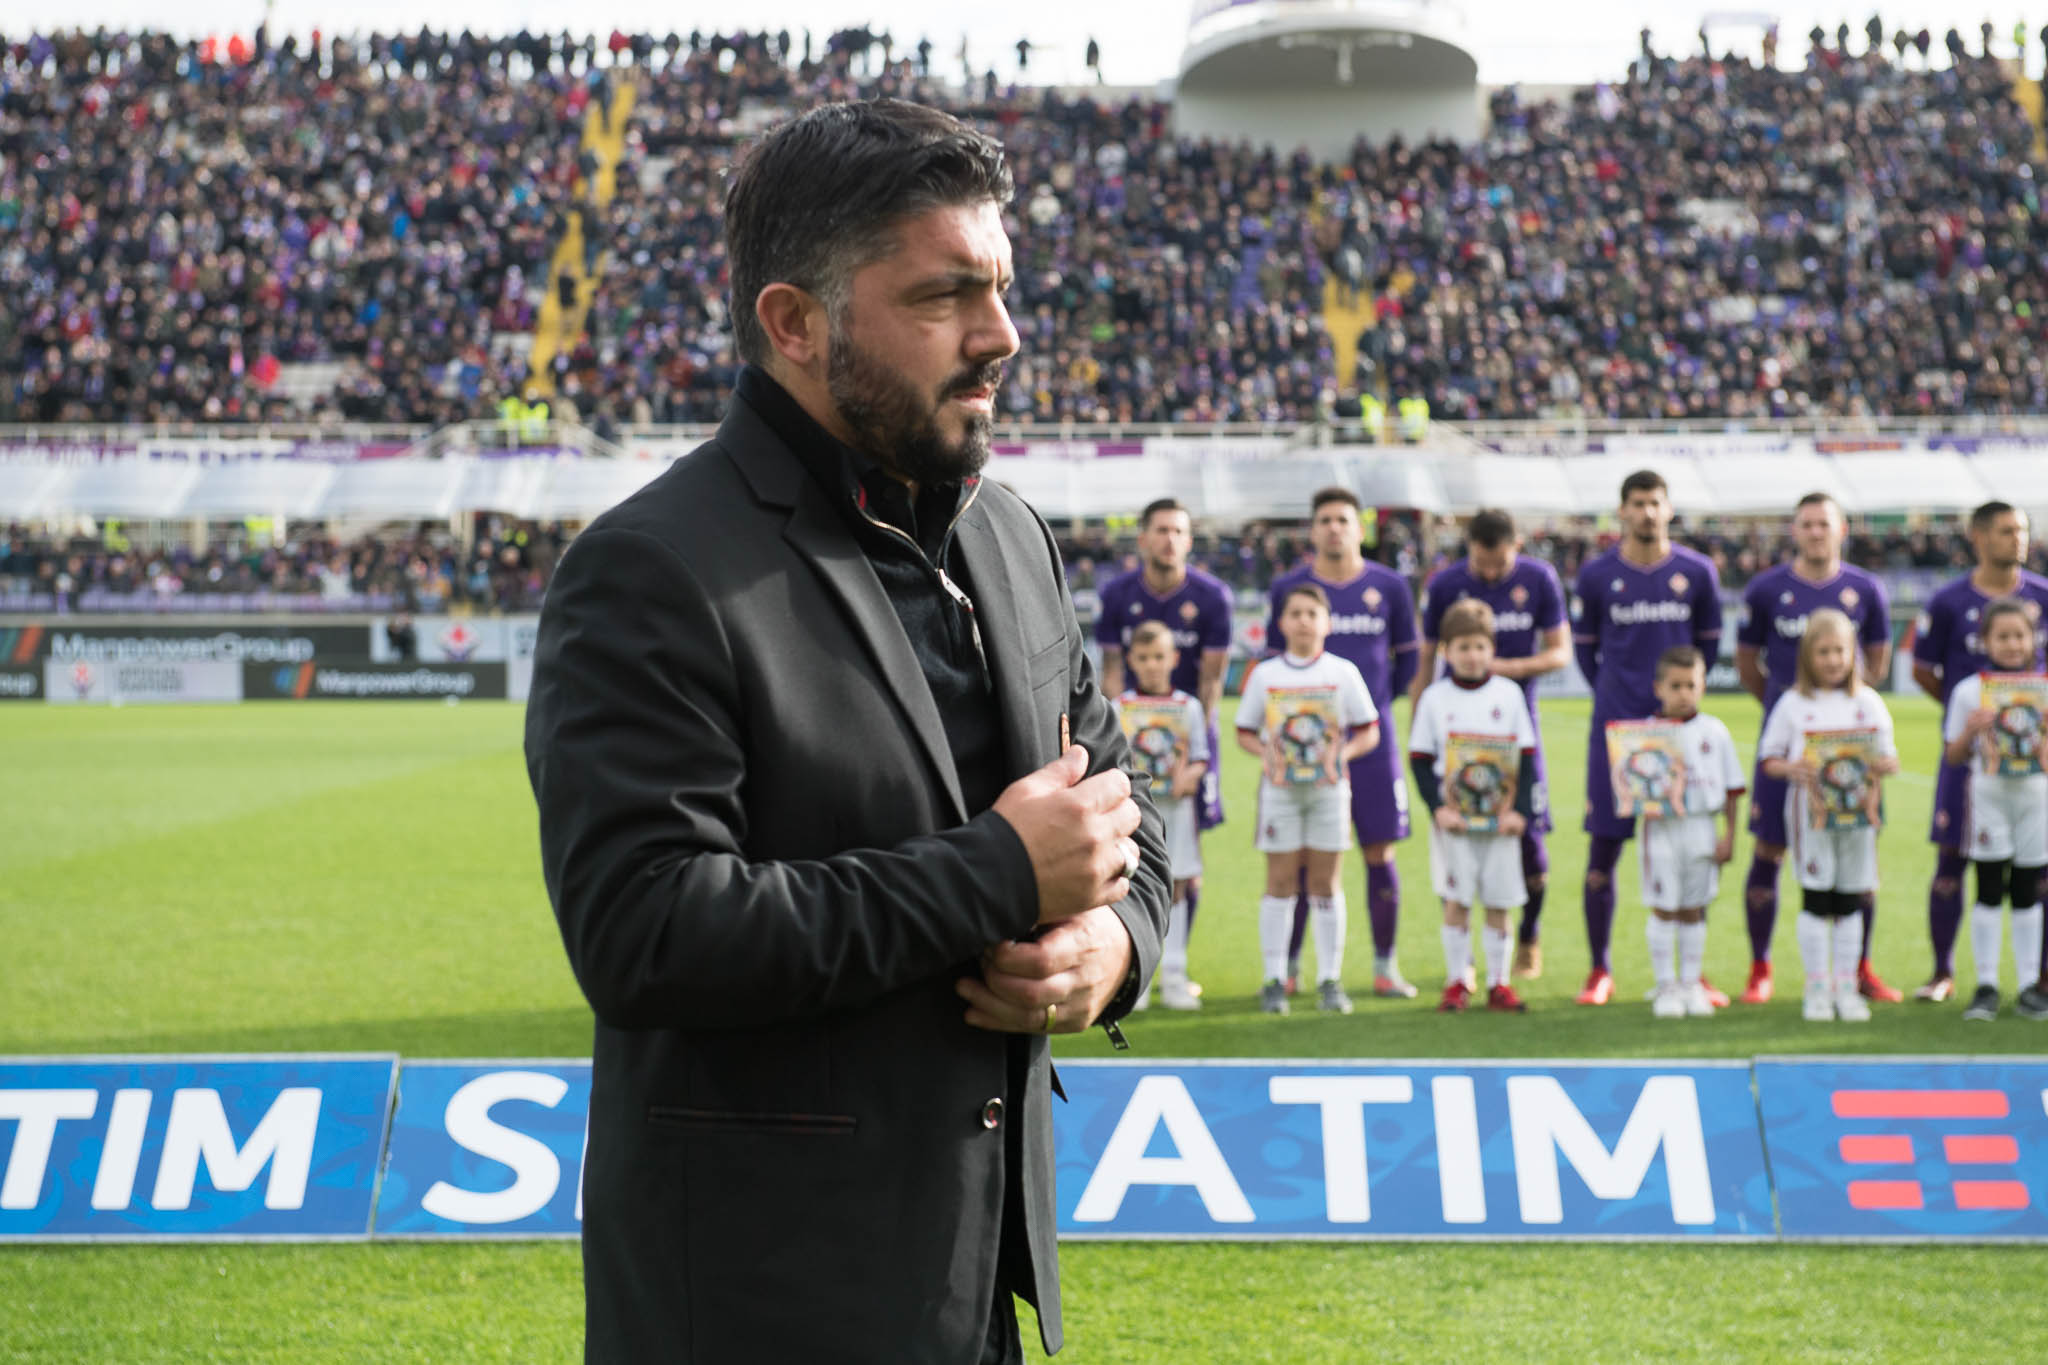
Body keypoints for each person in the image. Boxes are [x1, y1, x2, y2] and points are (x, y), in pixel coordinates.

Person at [524, 99, 1171, 1363]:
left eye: (1000, 287)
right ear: (793, 324)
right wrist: (996, 873)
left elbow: (1121, 814)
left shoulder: (1008, 535)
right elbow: (646, 930)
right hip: (764, 1312)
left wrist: (1111, 948)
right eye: (942, 298)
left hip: (978, 1291)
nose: (1002, 337)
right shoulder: (651, 570)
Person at [1733, 492, 1894, 1004]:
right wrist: (1793, 712)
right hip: (1793, 751)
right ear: (1795, 531)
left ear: (1841, 529)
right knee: (1768, 850)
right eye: (1807, 524)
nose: (1816, 532)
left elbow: (1879, 659)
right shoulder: (1766, 589)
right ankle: (1761, 966)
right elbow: (1745, 661)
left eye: (1824, 523)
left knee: (1856, 858)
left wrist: (1843, 724)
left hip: (1851, 760)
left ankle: (1859, 968)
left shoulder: (1865, 588)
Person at [1570, 469, 1724, 1006]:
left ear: (1669, 508)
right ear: (1622, 511)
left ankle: (1693, 972)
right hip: (1617, 733)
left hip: (1678, 735)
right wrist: (1621, 699)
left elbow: (1706, 646)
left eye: (1655, 503)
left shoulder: (1697, 573)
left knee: (1689, 853)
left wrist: (1670, 705)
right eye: (1636, 504)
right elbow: (1586, 653)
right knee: (1604, 851)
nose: (1646, 513)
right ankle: (1599, 969)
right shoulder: (1596, 576)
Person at [1267, 488, 1420, 997]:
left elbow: (1409, 663)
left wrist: (1368, 713)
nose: (1335, 528)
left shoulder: (1390, 586)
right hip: (1301, 750)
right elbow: (1274, 666)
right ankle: (1289, 970)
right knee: (1305, 858)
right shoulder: (1289, 588)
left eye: (1344, 520)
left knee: (1380, 851)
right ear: (1313, 530)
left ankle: (1384, 967)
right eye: (1325, 520)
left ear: (1361, 529)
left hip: (1372, 745)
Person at [1413, 507, 1570, 978]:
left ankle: (1528, 936)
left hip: (1514, 722)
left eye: (1498, 564)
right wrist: (1418, 717)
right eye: (1481, 563)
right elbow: (1425, 658)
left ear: (1516, 546)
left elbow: (1560, 652)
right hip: (1457, 728)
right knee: (1457, 840)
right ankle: (1464, 962)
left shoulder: (1540, 579)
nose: (1489, 572)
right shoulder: (1445, 584)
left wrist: (1504, 669)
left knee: (1529, 840)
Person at [1909, 500, 2048, 1002]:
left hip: (2035, 777)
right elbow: (1925, 671)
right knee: (1953, 861)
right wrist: (1966, 721)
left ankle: (2037, 978)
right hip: (1974, 767)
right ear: (1980, 536)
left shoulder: (2043, 595)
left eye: (2023, 530)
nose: (2019, 539)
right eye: (2008, 530)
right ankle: (1945, 971)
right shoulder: (1948, 601)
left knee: (2036, 874)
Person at [1236, 583, 1380, 1016]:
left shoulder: (1342, 672)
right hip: (1281, 792)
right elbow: (1244, 730)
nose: (1303, 621)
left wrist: (1342, 755)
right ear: (1281, 623)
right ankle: (1274, 978)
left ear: (1327, 622)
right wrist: (1267, 756)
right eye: (1295, 613)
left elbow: (1369, 729)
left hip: (1328, 791)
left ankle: (1329, 980)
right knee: (1279, 883)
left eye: (1311, 613)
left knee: (1325, 883)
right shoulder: (1266, 675)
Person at [1095, 496, 1232, 937]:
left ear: (1189, 540)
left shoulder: (1213, 597)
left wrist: (1194, 745)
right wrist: (1123, 740)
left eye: (1177, 531)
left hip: (1187, 739)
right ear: (1143, 538)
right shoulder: (1117, 594)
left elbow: (1211, 682)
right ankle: (1135, 947)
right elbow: (1111, 672)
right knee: (1129, 847)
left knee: (1187, 855)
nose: (1169, 539)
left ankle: (1177, 956)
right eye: (1160, 530)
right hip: (1134, 742)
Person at [1759, 610, 1899, 1023]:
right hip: (1812, 818)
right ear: (1807, 656)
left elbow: (1886, 756)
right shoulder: (1793, 704)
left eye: (1840, 650)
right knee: (1818, 899)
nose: (1833, 660)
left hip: (1858, 819)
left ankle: (1846, 987)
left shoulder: (1868, 702)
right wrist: (1792, 769)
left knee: (1852, 899)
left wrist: (1886, 766)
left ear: (1852, 653)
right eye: (1823, 652)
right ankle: (1817, 987)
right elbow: (1769, 758)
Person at [1408, 599, 1537, 1013]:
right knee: (1457, 901)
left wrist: (1520, 812)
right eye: (1462, 647)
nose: (1472, 655)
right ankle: (1457, 981)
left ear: (1492, 649)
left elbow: (1527, 758)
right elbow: (1420, 760)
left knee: (1500, 902)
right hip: (1456, 823)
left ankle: (1499, 983)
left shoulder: (1509, 695)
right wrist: (1437, 809)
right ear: (1446, 651)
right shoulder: (1434, 698)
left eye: (1480, 646)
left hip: (1499, 823)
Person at [1939, 598, 2048, 1021]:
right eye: (2001, 636)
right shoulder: (1969, 692)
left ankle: (2027, 986)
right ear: (1984, 641)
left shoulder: (2043, 690)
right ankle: (1985, 984)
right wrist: (1971, 731)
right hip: (1987, 798)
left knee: (2026, 891)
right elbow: (1952, 755)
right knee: (1987, 888)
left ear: (2033, 638)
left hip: (2035, 800)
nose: (2011, 644)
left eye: (2019, 635)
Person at [1637, 646, 1744, 1019]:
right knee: (1665, 906)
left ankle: (1690, 982)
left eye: (1691, 685)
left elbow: (1732, 789)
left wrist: (1729, 834)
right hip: (1661, 827)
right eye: (1675, 686)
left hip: (1702, 826)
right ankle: (1665, 984)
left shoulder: (1714, 732)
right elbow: (1628, 783)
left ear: (1703, 687)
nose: (1683, 693)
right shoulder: (1644, 735)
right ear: (1659, 689)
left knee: (1694, 908)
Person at [1116, 620, 1209, 1011]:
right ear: (1131, 660)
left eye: (1159, 656)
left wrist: (1190, 774)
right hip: (1134, 817)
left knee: (1178, 888)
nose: (1152, 665)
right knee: (1131, 885)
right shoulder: (1119, 707)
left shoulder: (1189, 707)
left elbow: (1202, 757)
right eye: (1144, 657)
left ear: (1173, 658)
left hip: (1177, 812)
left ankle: (1174, 973)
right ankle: (1138, 975)